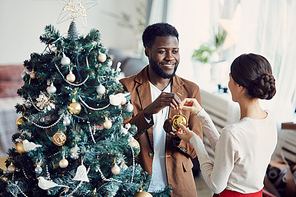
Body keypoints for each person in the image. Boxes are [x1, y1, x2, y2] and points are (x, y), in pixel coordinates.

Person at [176, 53, 277, 197]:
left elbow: (215, 185)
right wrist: (201, 115)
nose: (228, 84)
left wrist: (195, 141)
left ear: (239, 86)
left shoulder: (233, 132)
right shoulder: (270, 119)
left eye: (229, 78)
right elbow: (228, 154)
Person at [120, 22, 203, 197]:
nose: (170, 57)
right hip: (139, 184)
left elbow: (196, 150)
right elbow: (121, 139)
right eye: (162, 51)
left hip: (180, 185)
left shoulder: (191, 90)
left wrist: (178, 137)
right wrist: (149, 111)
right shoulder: (126, 88)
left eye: (175, 51)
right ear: (147, 52)